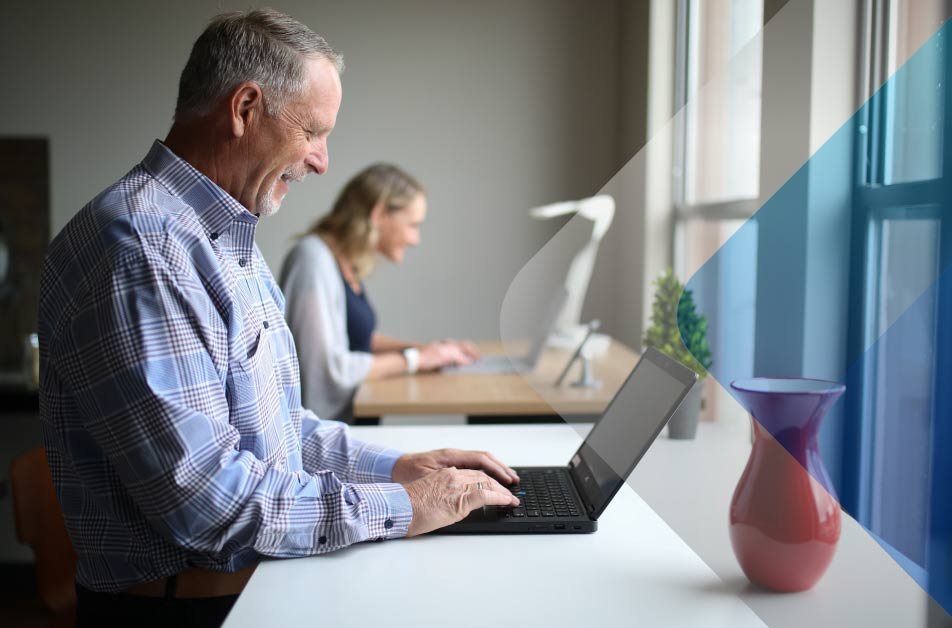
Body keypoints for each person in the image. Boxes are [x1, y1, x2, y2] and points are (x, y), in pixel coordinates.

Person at [37, 9, 518, 628]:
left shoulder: (221, 237)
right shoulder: (143, 249)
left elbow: (281, 432)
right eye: (313, 131)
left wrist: (401, 468)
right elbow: (209, 502)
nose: (322, 162)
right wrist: (403, 505)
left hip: (247, 590)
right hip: (192, 610)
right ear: (244, 109)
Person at [280, 163, 479, 421]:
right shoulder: (312, 260)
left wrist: (432, 352)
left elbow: (359, 339)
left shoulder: (343, 261)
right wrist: (416, 359)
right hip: (328, 433)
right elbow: (327, 368)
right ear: (379, 214)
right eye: (413, 225)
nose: (415, 239)